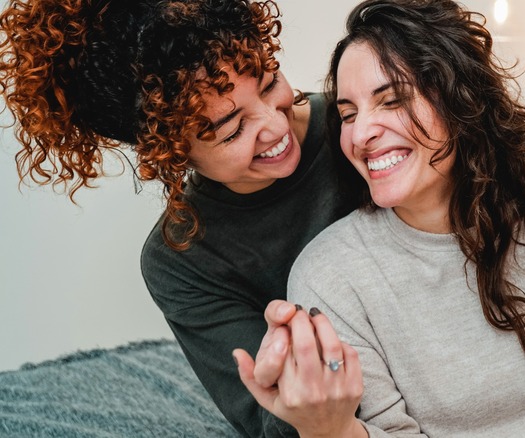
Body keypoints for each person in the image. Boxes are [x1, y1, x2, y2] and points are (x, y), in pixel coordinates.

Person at [234, 0, 525, 436]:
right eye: (348, 114)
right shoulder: (332, 278)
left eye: (392, 99)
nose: (361, 134)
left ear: (460, 100)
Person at [0, 0, 356, 436]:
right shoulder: (181, 259)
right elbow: (269, 420)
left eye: (268, 83)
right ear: (170, 150)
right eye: (231, 128)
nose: (275, 126)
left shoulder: (358, 125)